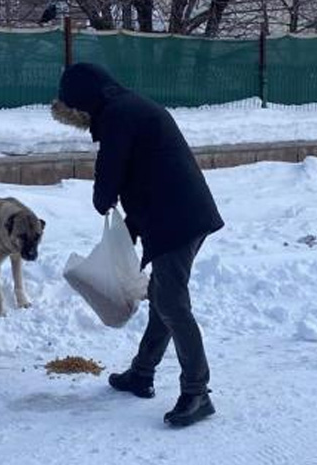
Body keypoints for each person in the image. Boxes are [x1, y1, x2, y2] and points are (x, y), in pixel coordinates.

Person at [52, 63, 224, 427]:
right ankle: (142, 372)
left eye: (77, 111)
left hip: (177, 218)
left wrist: (103, 200)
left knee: (173, 305)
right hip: (179, 212)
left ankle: (198, 392)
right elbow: (144, 171)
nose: (81, 120)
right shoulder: (129, 107)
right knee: (164, 298)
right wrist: (130, 225)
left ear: (84, 101)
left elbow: (111, 169)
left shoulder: (117, 116)